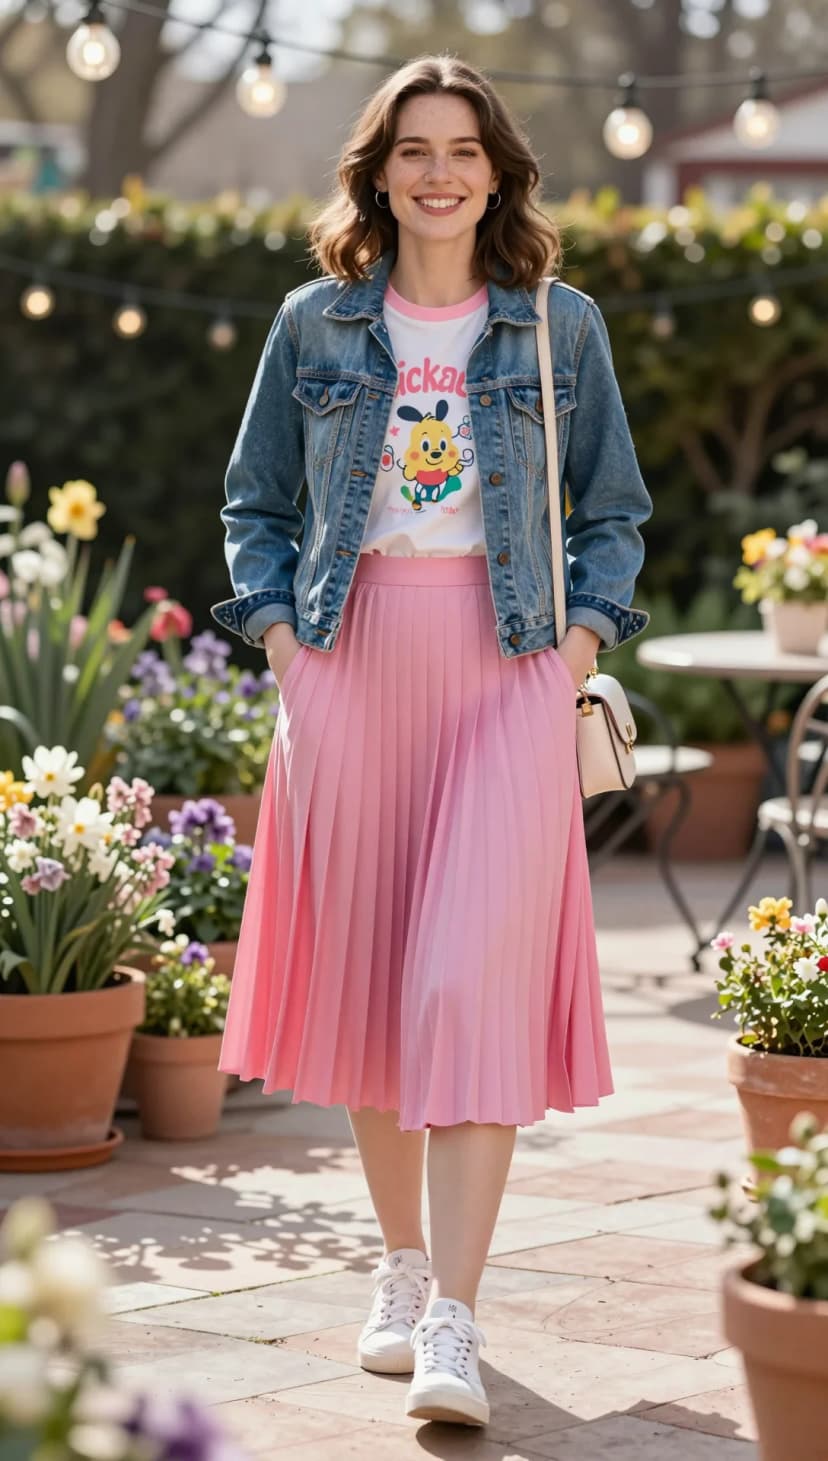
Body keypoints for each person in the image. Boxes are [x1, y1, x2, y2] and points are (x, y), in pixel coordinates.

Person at [210, 52, 652, 1429]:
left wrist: (570, 661)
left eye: (464, 149)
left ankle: (456, 1312)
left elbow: (614, 515)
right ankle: (400, 1270)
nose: (441, 172)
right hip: (353, 671)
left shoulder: (554, 326)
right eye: (416, 149)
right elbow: (254, 504)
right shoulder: (315, 323)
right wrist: (289, 653)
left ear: (499, 171)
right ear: (381, 170)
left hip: (505, 672)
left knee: (466, 979)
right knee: (378, 985)